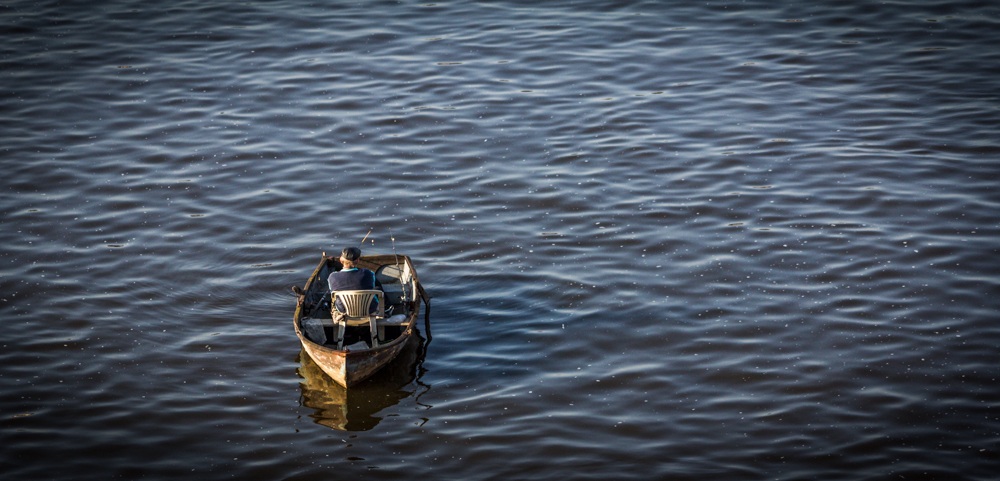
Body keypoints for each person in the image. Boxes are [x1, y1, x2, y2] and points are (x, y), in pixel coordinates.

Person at [327, 246, 378, 323]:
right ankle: (385, 310)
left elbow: (332, 291)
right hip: (369, 309)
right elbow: (372, 286)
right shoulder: (369, 273)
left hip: (343, 310)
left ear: (341, 260)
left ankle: (338, 318)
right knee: (377, 288)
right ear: (357, 261)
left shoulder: (332, 276)